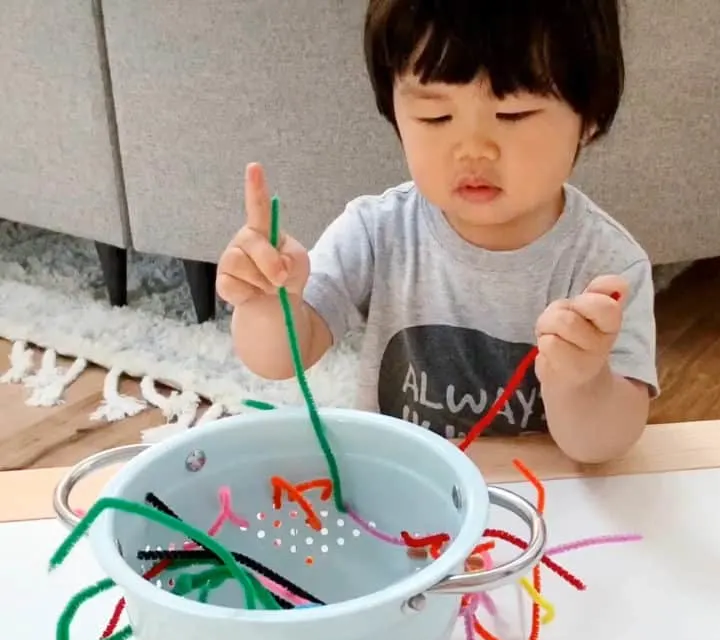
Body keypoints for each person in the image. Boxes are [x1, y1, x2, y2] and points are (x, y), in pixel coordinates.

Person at [216, 0, 659, 464]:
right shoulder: (376, 230)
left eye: (513, 115)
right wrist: (268, 304)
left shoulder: (606, 268)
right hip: (402, 496)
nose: (473, 149)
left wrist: (582, 382)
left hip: (539, 507)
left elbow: (601, 447)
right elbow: (282, 357)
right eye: (435, 117)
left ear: (587, 118)